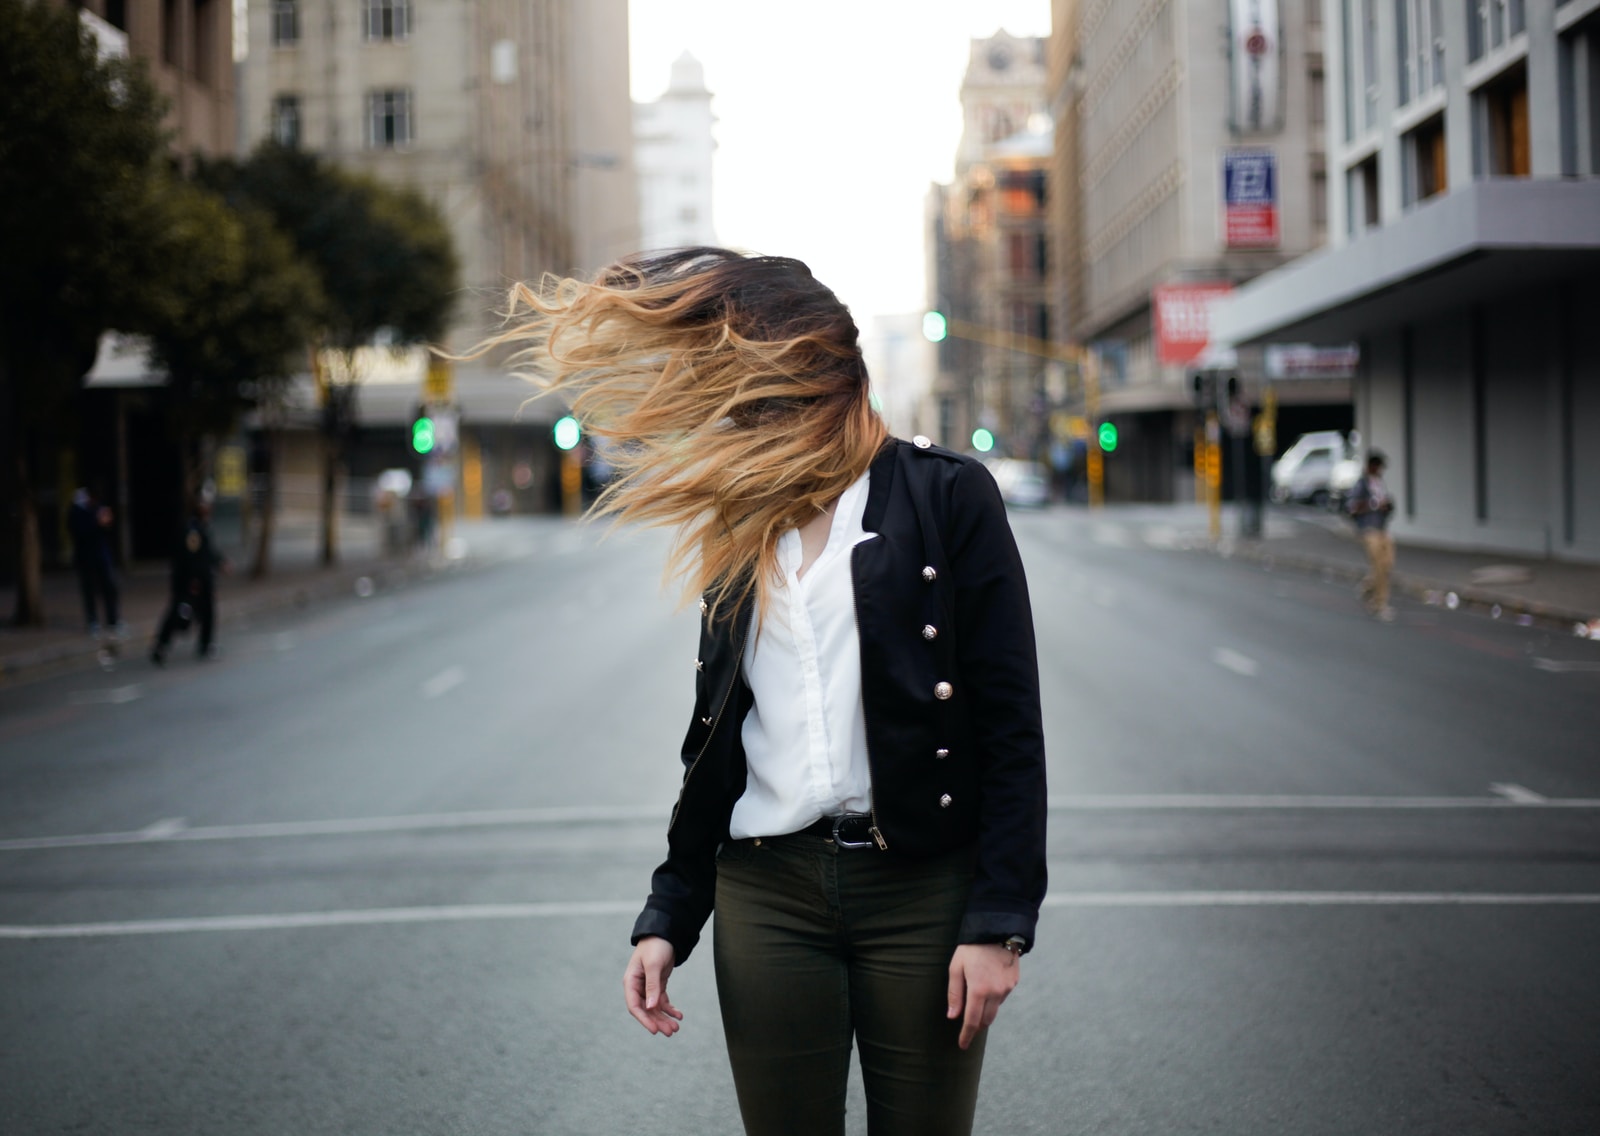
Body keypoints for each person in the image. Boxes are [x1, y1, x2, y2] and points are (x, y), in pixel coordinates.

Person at [485, 248, 1047, 1135]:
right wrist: (669, 912)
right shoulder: (740, 518)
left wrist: (1000, 921)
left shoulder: (949, 497)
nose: (745, 414)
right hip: (767, 893)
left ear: (822, 377)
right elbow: (716, 738)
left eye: (761, 389)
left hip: (921, 893)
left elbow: (1012, 723)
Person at [151, 496, 226, 664]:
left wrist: (220, 562)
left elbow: (208, 553)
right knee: (178, 615)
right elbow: (191, 558)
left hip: (202, 581)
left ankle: (205, 645)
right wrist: (194, 581)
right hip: (191, 583)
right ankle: (161, 646)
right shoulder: (192, 531)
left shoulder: (202, 528)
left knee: (207, 613)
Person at [67, 487, 122, 639]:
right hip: (86, 558)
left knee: (109, 588)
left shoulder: (98, 507)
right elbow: (78, 531)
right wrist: (97, 522)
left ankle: (113, 621)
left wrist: (107, 522)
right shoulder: (78, 510)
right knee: (89, 591)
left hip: (102, 557)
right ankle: (93, 621)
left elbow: (107, 530)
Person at [1348, 451, 1396, 621]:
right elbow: (1352, 507)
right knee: (1379, 566)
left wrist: (1387, 506)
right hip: (1369, 529)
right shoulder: (1362, 484)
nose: (1380, 470)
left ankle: (1367, 586)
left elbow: (1385, 504)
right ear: (1371, 466)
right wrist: (1374, 504)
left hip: (1382, 528)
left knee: (1387, 563)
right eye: (1378, 466)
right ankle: (1380, 603)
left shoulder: (1380, 483)